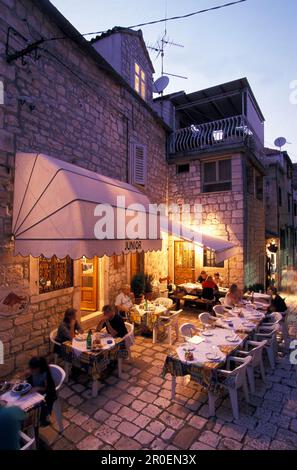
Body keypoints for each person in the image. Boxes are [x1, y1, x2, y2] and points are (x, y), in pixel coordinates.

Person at [26, 356, 57, 426]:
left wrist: (37, 388)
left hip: (46, 395)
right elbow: (30, 379)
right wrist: (28, 376)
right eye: (31, 368)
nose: (31, 370)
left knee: (37, 405)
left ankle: (43, 418)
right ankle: (32, 418)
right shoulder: (34, 372)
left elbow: (48, 389)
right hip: (36, 392)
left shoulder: (45, 375)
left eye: (33, 369)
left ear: (39, 368)